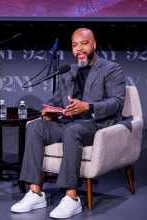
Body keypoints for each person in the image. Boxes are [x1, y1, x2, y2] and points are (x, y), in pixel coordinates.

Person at [11, 28, 126, 219]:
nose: (79, 49)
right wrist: (51, 110)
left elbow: (117, 102)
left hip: (96, 124)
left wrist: (88, 107)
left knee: (73, 131)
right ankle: (35, 193)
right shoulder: (68, 71)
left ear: (94, 44)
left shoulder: (111, 68)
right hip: (68, 122)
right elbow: (58, 100)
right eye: (74, 45)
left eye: (84, 43)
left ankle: (72, 198)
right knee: (35, 126)